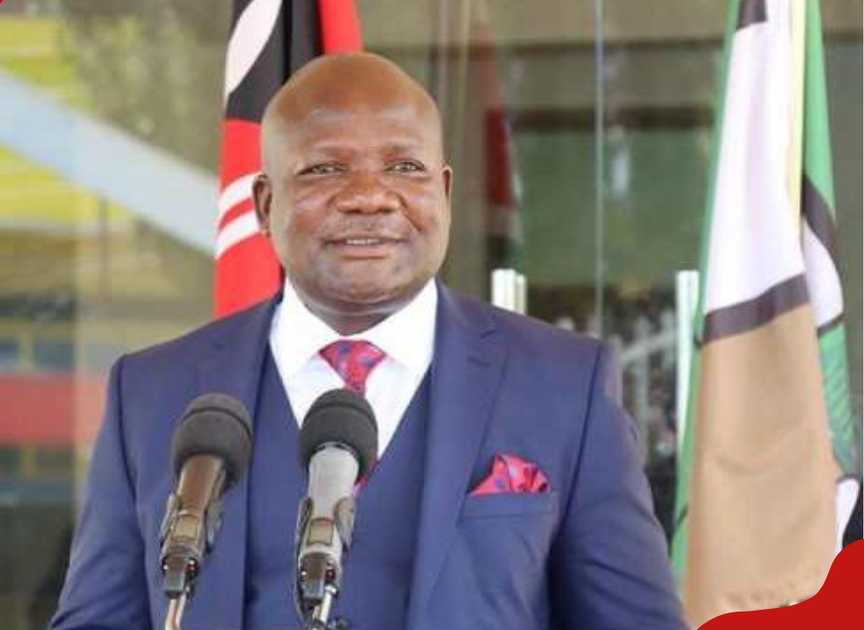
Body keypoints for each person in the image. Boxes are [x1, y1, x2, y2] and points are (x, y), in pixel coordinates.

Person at [50, 52, 685, 630]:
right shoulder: (154, 394)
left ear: (443, 192)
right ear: (265, 204)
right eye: (325, 168)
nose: (369, 197)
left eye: (404, 167)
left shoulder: (563, 386)